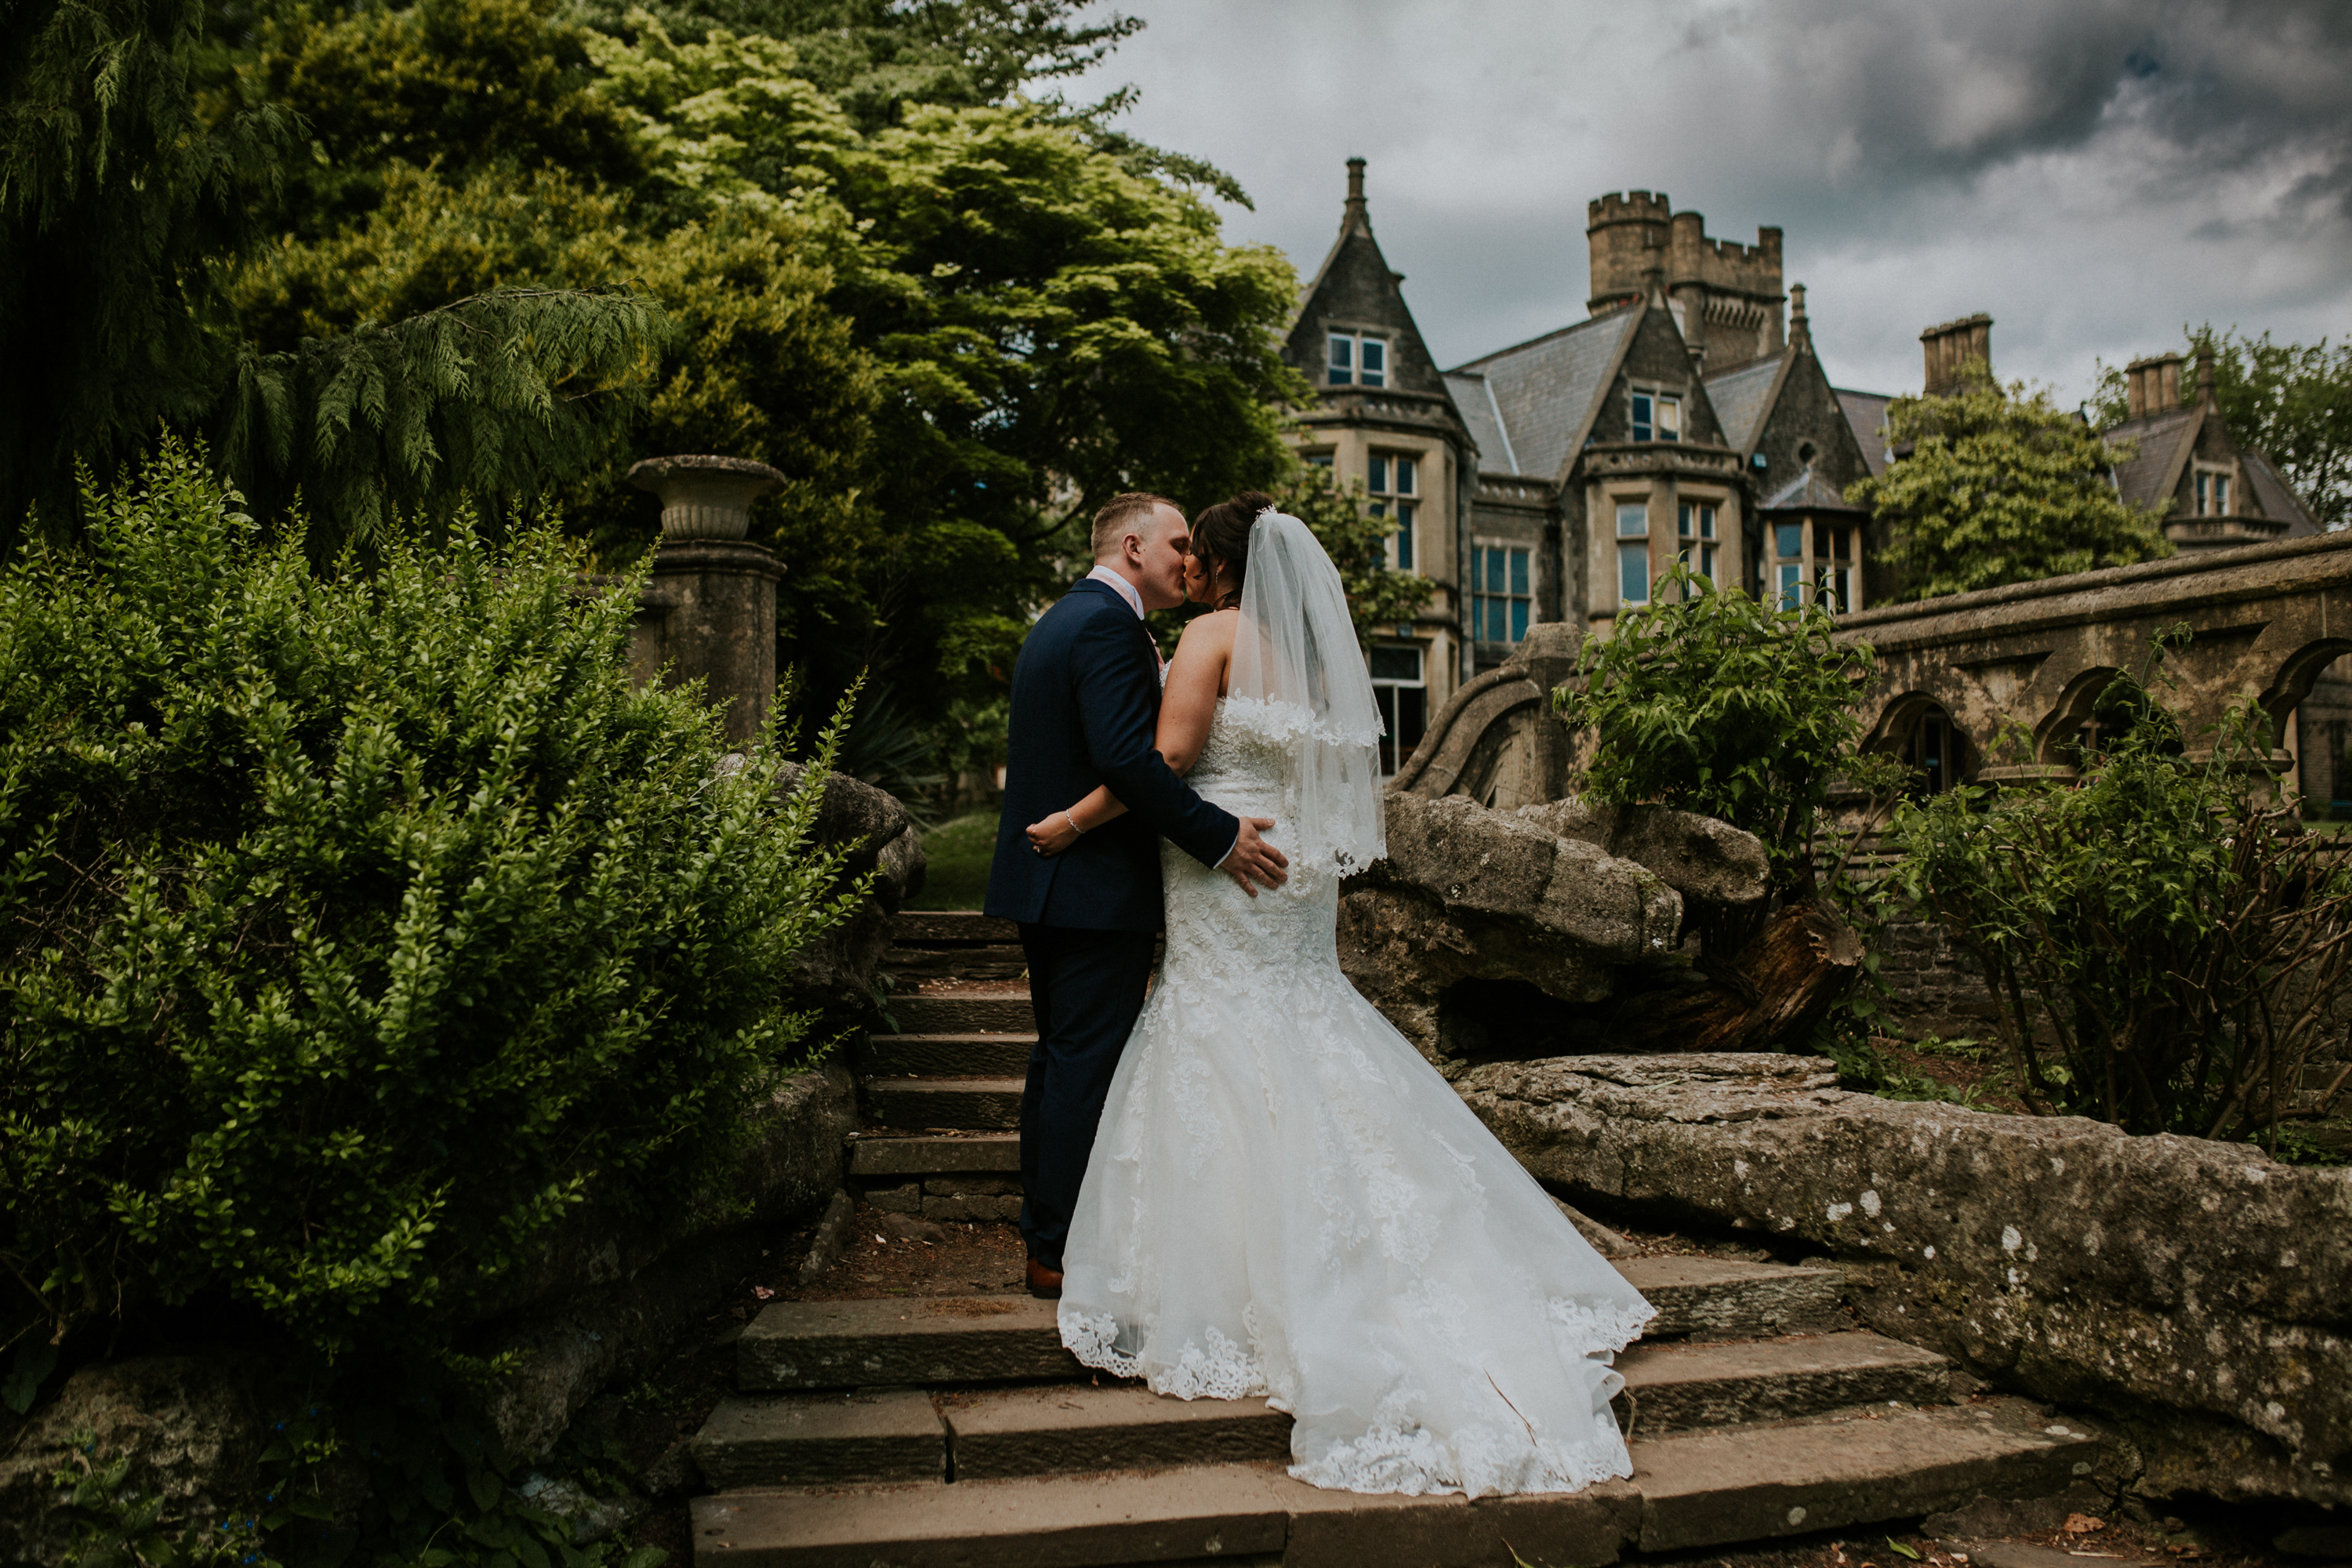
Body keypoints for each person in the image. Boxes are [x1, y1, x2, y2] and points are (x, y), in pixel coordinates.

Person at [1021, 492, 1655, 1497]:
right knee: (1311, 1029)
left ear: (1219, 569)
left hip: (1228, 860)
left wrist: (1072, 817)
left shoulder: (1209, 637)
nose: (1183, 567)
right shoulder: (1317, 654)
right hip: (1298, 866)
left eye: (1195, 554)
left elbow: (1170, 761)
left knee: (1218, 1033)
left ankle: (1226, 1270)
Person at [984, 492, 1290, 1303]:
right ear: (1132, 545)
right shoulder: (1110, 626)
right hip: (1091, 892)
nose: (1187, 558)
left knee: (1059, 1062)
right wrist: (1220, 837)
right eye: (1175, 542)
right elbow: (1133, 760)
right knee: (1081, 1066)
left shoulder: (1065, 618)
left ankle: (1046, 1236)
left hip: (1053, 885)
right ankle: (1054, 1249)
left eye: (1197, 546)